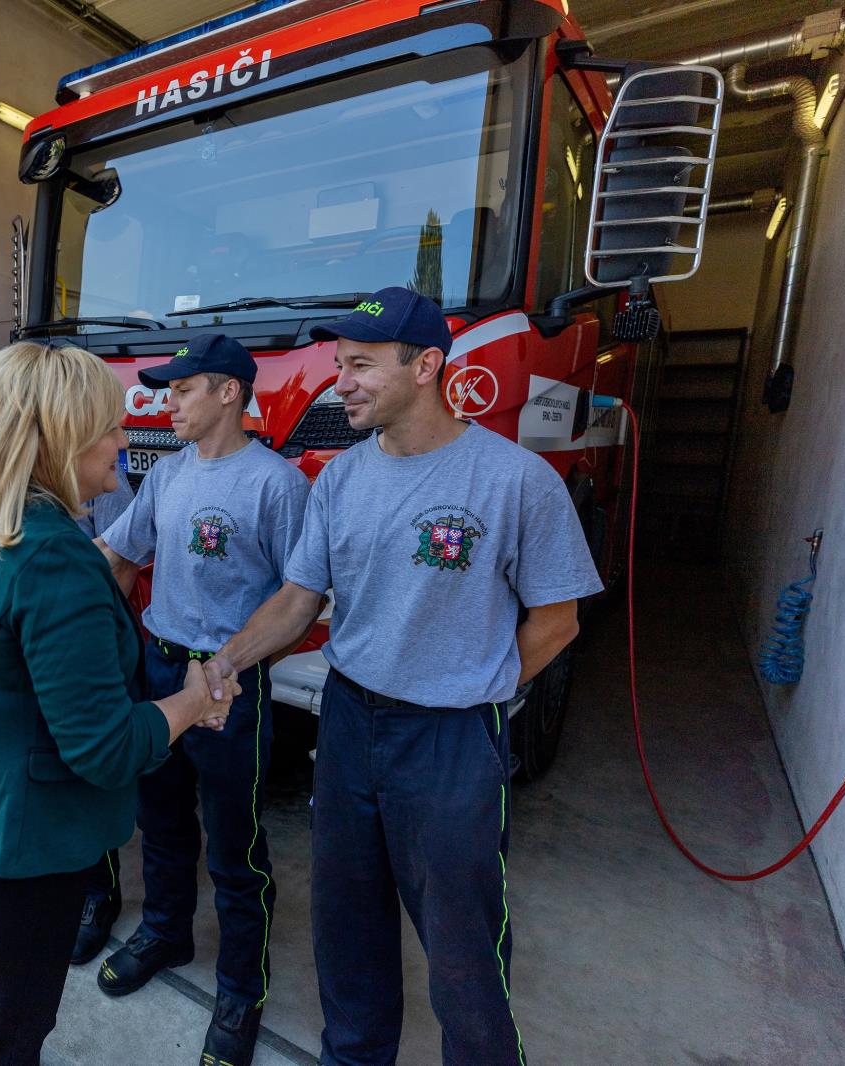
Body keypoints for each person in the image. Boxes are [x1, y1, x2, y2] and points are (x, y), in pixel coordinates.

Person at [203, 287, 602, 1066]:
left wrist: (468, 682)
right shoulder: (342, 481)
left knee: (462, 947)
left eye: (359, 366)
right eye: (339, 364)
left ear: (427, 365)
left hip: (451, 741)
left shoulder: (516, 480)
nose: (340, 382)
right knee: (346, 925)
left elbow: (558, 622)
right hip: (349, 723)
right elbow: (295, 602)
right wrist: (224, 664)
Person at [0, 341, 239, 1066]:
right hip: (17, 844)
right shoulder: (53, 556)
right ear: (61, 436)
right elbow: (106, 746)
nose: (124, 439)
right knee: (11, 1031)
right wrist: (192, 700)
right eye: (110, 427)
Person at [92, 333, 308, 1066]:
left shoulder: (276, 484)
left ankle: (240, 989)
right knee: (159, 821)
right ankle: (165, 931)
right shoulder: (168, 475)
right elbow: (118, 557)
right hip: (159, 672)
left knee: (235, 846)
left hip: (229, 689)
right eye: (166, 388)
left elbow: (299, 597)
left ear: (228, 393)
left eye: (182, 389)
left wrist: (229, 667)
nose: (165, 400)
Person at [69, 473, 137, 965]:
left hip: (85, 644)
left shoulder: (101, 479)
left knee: (92, 777)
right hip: (34, 646)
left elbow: (120, 566)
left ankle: (99, 894)